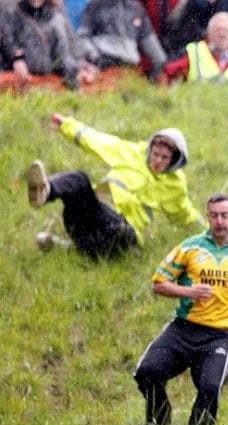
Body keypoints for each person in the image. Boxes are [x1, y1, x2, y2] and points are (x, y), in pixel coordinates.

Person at [133, 193, 228, 425]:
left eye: (224, 215)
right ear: (207, 216)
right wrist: (188, 291)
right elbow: (158, 284)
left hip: (221, 335)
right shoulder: (190, 247)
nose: (219, 221)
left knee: (210, 387)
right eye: (214, 215)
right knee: (146, 372)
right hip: (184, 327)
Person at [24, 112, 203, 259]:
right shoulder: (132, 152)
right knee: (80, 179)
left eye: (164, 158)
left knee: (119, 232)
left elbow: (184, 213)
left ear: (174, 160)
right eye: (155, 154)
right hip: (94, 214)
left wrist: (210, 231)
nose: (157, 160)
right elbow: (97, 141)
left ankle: (65, 247)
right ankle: (44, 191)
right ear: (150, 149)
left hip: (121, 231)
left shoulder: (175, 185)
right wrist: (67, 125)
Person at [0, 0, 93, 90]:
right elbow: (6, 35)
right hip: (19, 73)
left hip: (47, 75)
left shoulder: (55, 13)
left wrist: (78, 64)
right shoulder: (12, 9)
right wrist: (16, 58)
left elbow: (65, 47)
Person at [76, 0, 167, 81]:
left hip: (129, 70)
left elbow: (158, 56)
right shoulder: (96, 5)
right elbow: (82, 36)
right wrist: (93, 55)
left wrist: (152, 79)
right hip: (102, 67)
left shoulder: (136, 8)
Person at [162, 11, 228, 84]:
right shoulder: (194, 52)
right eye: (218, 29)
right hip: (198, 104)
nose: (222, 34)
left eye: (226, 30)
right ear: (209, 33)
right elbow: (167, 74)